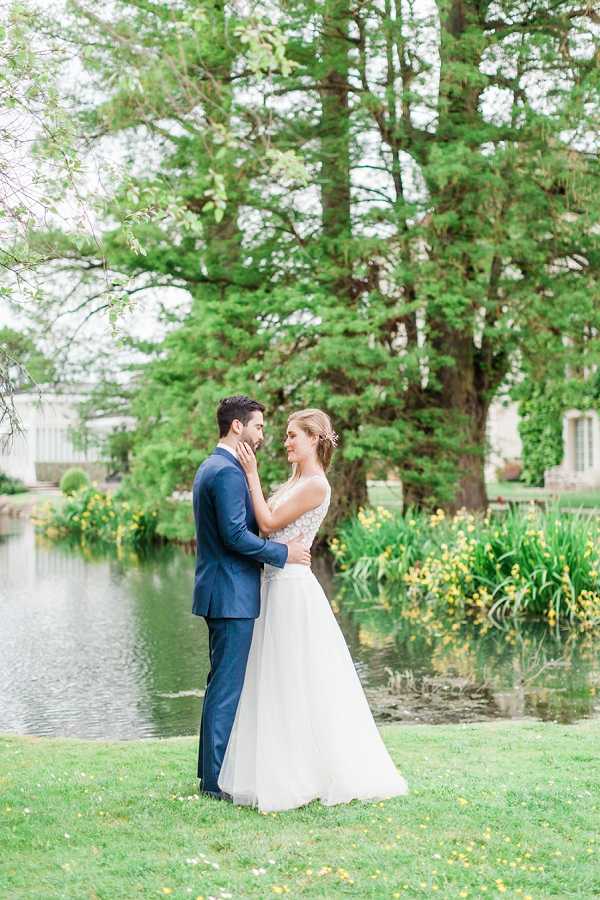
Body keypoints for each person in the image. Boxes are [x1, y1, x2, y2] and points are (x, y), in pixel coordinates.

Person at [217, 407, 408, 812]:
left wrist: (250, 476)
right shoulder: (294, 480)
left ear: (315, 439)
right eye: (284, 435)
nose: (284, 442)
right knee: (273, 680)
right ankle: (276, 767)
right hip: (273, 584)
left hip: (291, 591)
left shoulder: (316, 485)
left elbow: (267, 524)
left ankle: (308, 772)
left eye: (292, 436)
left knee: (296, 678)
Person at [192, 395, 311, 800]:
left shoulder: (216, 465)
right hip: (230, 595)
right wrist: (284, 553)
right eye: (259, 426)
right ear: (237, 426)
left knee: (220, 685)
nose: (264, 434)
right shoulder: (225, 472)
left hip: (224, 592)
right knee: (226, 688)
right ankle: (213, 784)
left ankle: (211, 774)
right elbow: (235, 536)